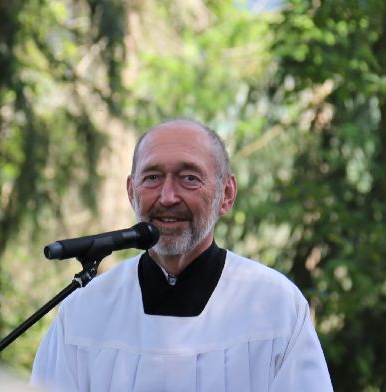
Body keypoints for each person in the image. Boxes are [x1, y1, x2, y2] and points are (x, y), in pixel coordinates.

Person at [30, 119, 333, 391]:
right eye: (152, 177)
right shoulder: (85, 312)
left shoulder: (275, 307)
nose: (168, 197)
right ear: (131, 192)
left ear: (225, 194)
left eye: (189, 177)